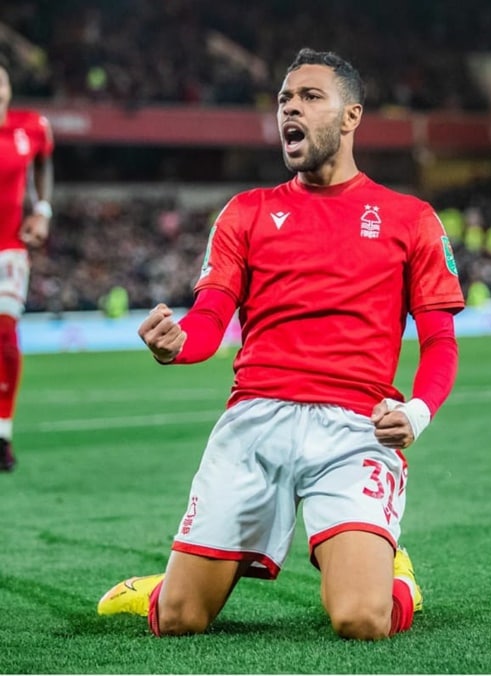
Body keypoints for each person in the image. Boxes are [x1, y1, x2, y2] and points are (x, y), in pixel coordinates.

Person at [95, 48, 464, 640]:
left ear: (351, 117)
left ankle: (397, 578)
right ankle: (160, 589)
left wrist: (417, 412)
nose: (291, 108)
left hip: (355, 430)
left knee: (361, 618)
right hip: (255, 423)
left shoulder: (410, 218)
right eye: (284, 100)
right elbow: (211, 317)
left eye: (310, 97)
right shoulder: (246, 212)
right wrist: (177, 344)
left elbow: (441, 341)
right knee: (179, 619)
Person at [0, 61, 54, 472]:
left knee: (5, 335)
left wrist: (42, 209)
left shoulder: (31, 127)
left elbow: (44, 164)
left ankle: (2, 435)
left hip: (9, 248)